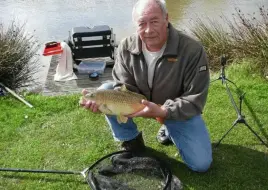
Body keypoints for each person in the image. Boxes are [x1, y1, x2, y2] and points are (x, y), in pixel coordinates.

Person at [81, 0, 212, 172]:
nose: (148, 30)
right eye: (142, 23)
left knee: (201, 165)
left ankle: (170, 127)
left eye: (154, 21)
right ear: (135, 25)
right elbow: (122, 86)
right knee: (105, 90)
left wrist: (164, 111)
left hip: (173, 109)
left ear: (167, 19)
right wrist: (102, 105)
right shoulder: (126, 46)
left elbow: (195, 99)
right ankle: (131, 141)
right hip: (136, 103)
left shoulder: (192, 50)